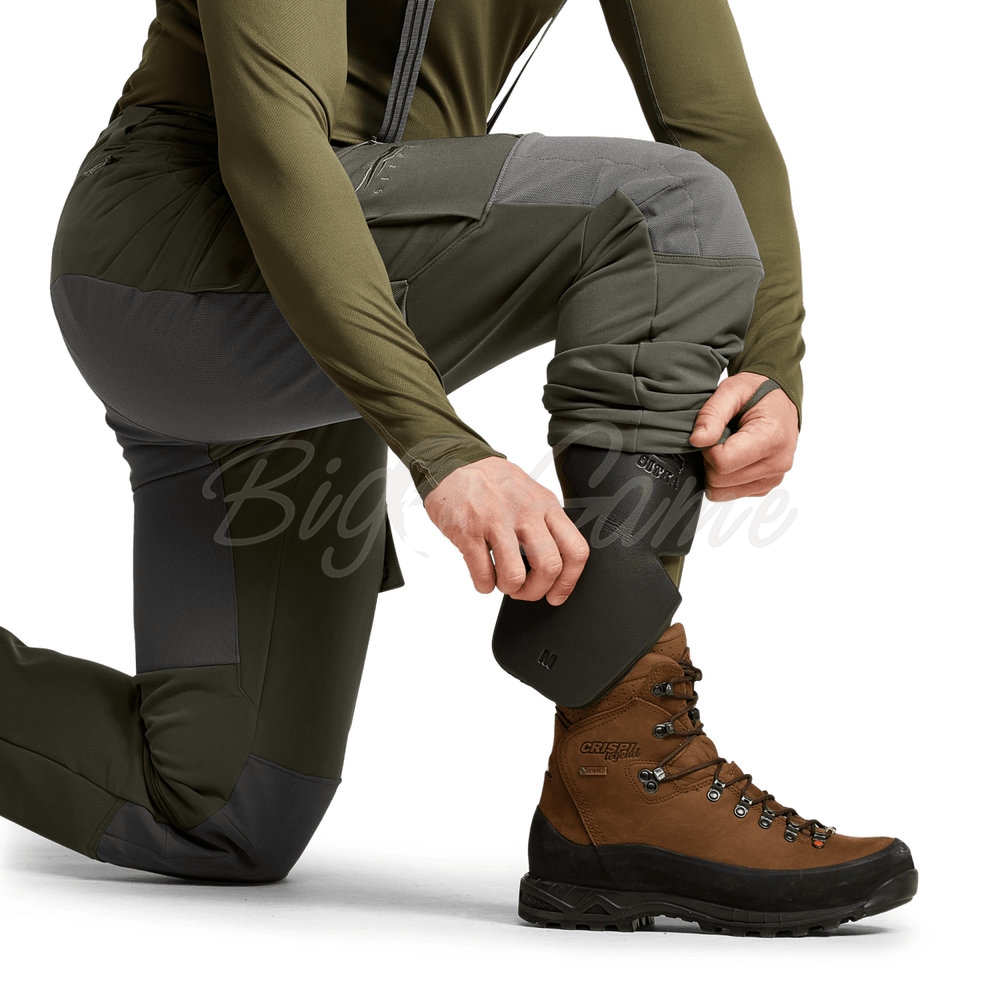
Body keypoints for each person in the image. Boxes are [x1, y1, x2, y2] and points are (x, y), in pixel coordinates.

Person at [0, 0, 916, 934]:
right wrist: (441, 447)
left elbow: (718, 120)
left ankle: (617, 781)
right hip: (184, 258)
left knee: (224, 808)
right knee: (662, 209)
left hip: (338, 300)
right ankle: (625, 766)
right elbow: (277, 148)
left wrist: (773, 363)